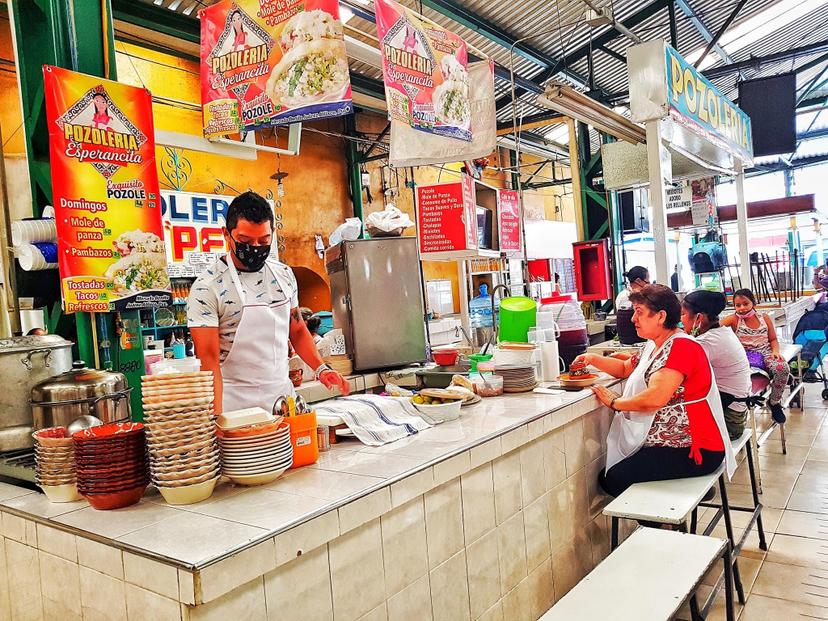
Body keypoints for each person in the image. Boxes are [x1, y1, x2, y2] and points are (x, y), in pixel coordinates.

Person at [188, 191, 349, 413]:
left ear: (272, 233)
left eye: (263, 241)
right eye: (245, 241)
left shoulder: (283, 275)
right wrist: (216, 420)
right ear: (226, 234)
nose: (255, 247)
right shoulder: (207, 287)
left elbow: (298, 329)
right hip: (234, 408)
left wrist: (320, 368)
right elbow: (208, 360)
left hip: (282, 404)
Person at [572, 284, 734, 498]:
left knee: (613, 479)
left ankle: (667, 515)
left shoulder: (682, 347)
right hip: (671, 442)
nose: (633, 319)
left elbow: (655, 398)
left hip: (696, 448)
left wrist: (615, 402)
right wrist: (592, 359)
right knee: (611, 474)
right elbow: (624, 368)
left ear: (660, 316)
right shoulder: (655, 344)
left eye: (639, 313)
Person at [681, 290, 751, 440]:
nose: (681, 321)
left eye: (683, 315)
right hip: (733, 412)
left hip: (729, 421)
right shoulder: (721, 332)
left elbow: (678, 371)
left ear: (698, 317)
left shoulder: (708, 342)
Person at [722, 288, 789, 424]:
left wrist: (775, 352)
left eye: (745, 304)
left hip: (765, 353)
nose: (741, 308)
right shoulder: (733, 319)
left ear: (753, 302)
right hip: (745, 357)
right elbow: (713, 327)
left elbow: (773, 340)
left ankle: (774, 402)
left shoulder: (764, 318)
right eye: (737, 305)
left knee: (783, 369)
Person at [615, 266, 649, 345]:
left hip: (639, 339)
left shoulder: (621, 295)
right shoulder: (624, 297)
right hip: (632, 340)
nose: (648, 283)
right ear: (638, 281)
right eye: (647, 281)